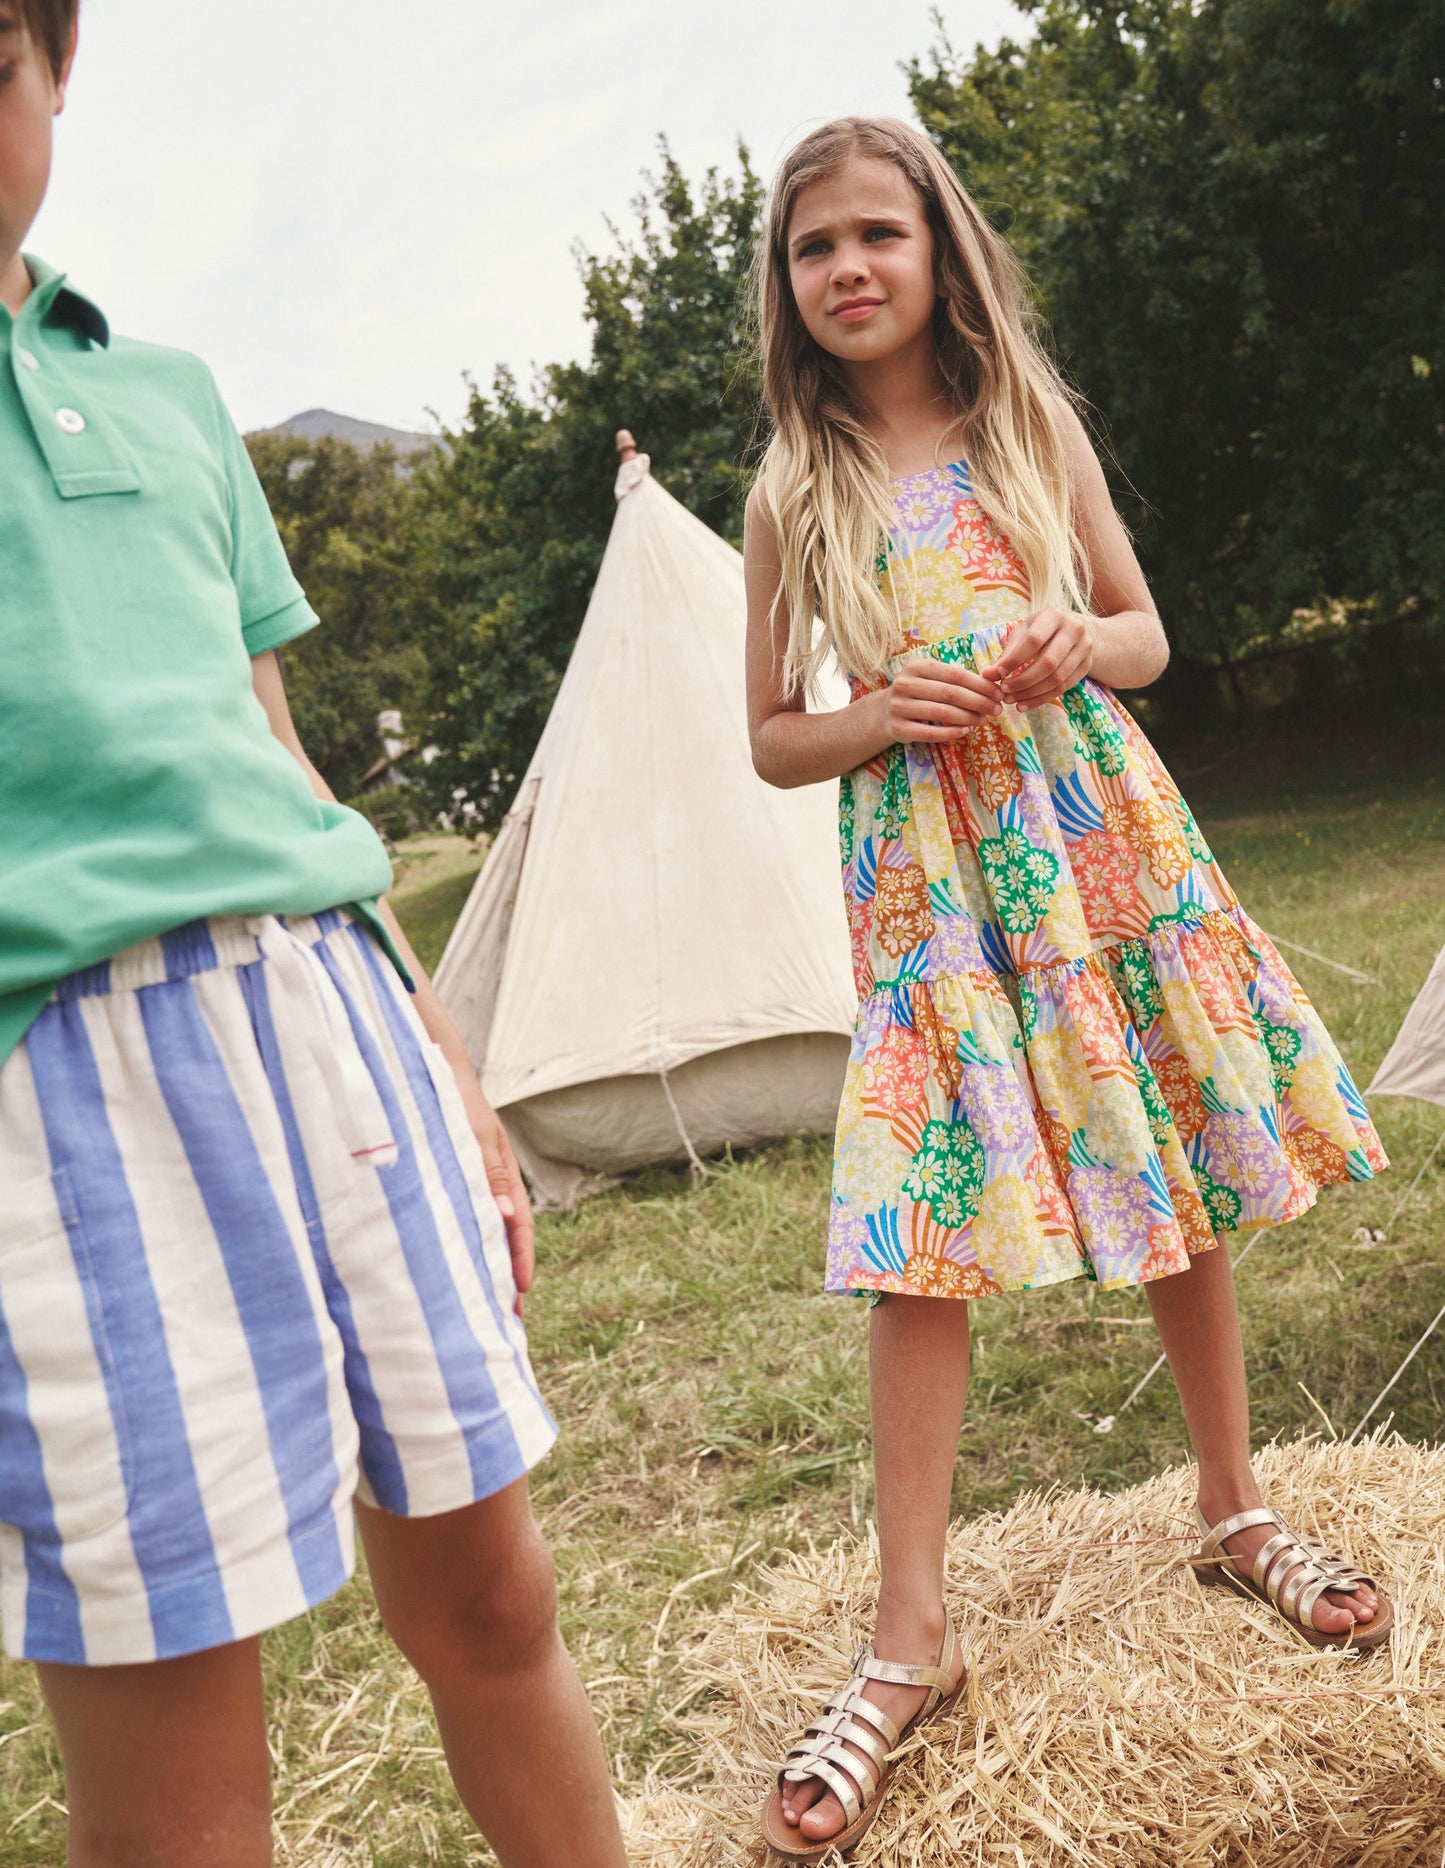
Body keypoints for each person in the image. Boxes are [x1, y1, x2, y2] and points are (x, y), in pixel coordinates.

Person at [0, 7, 629, 1864]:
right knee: (187, 1751)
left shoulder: (179, 397)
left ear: (54, 71)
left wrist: (441, 1049)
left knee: (495, 1604)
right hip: (55, 1083)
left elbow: (277, 749)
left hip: (323, 1011)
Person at [743, 116, 1393, 1861]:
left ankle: (1232, 1506)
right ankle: (910, 1633)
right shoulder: (792, 492)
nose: (852, 268)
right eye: (817, 249)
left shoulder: (1029, 428)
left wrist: (1062, 643)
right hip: (933, 909)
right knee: (914, 1231)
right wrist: (875, 714)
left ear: (940, 251)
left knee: (1172, 1174)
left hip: (1094, 855)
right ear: (787, 287)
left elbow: (1142, 635)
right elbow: (770, 737)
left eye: (881, 232)